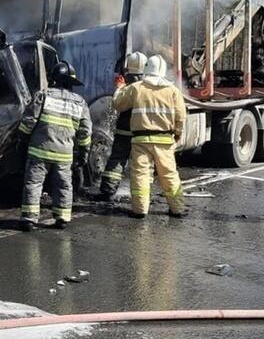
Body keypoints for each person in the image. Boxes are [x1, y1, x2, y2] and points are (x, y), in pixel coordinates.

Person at [18, 60, 92, 230]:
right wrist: (83, 154)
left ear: (54, 79)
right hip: (64, 155)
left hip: (39, 151)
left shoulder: (43, 95)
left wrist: (21, 139)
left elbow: (28, 122)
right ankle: (63, 217)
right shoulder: (80, 102)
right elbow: (85, 133)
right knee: (64, 185)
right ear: (71, 83)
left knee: (33, 183)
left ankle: (29, 219)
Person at [112, 54, 186, 218]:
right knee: (169, 175)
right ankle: (178, 209)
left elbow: (118, 104)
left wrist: (119, 88)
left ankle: (140, 210)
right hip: (165, 141)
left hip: (141, 140)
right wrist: (177, 134)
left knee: (140, 175)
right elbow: (181, 117)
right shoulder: (173, 91)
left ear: (146, 69)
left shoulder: (137, 88)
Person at [98, 51, 147, 205]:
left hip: (124, 130)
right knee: (142, 164)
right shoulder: (148, 85)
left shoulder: (128, 86)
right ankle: (142, 197)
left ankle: (107, 191)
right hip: (142, 130)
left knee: (117, 160)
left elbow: (118, 103)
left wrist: (119, 88)